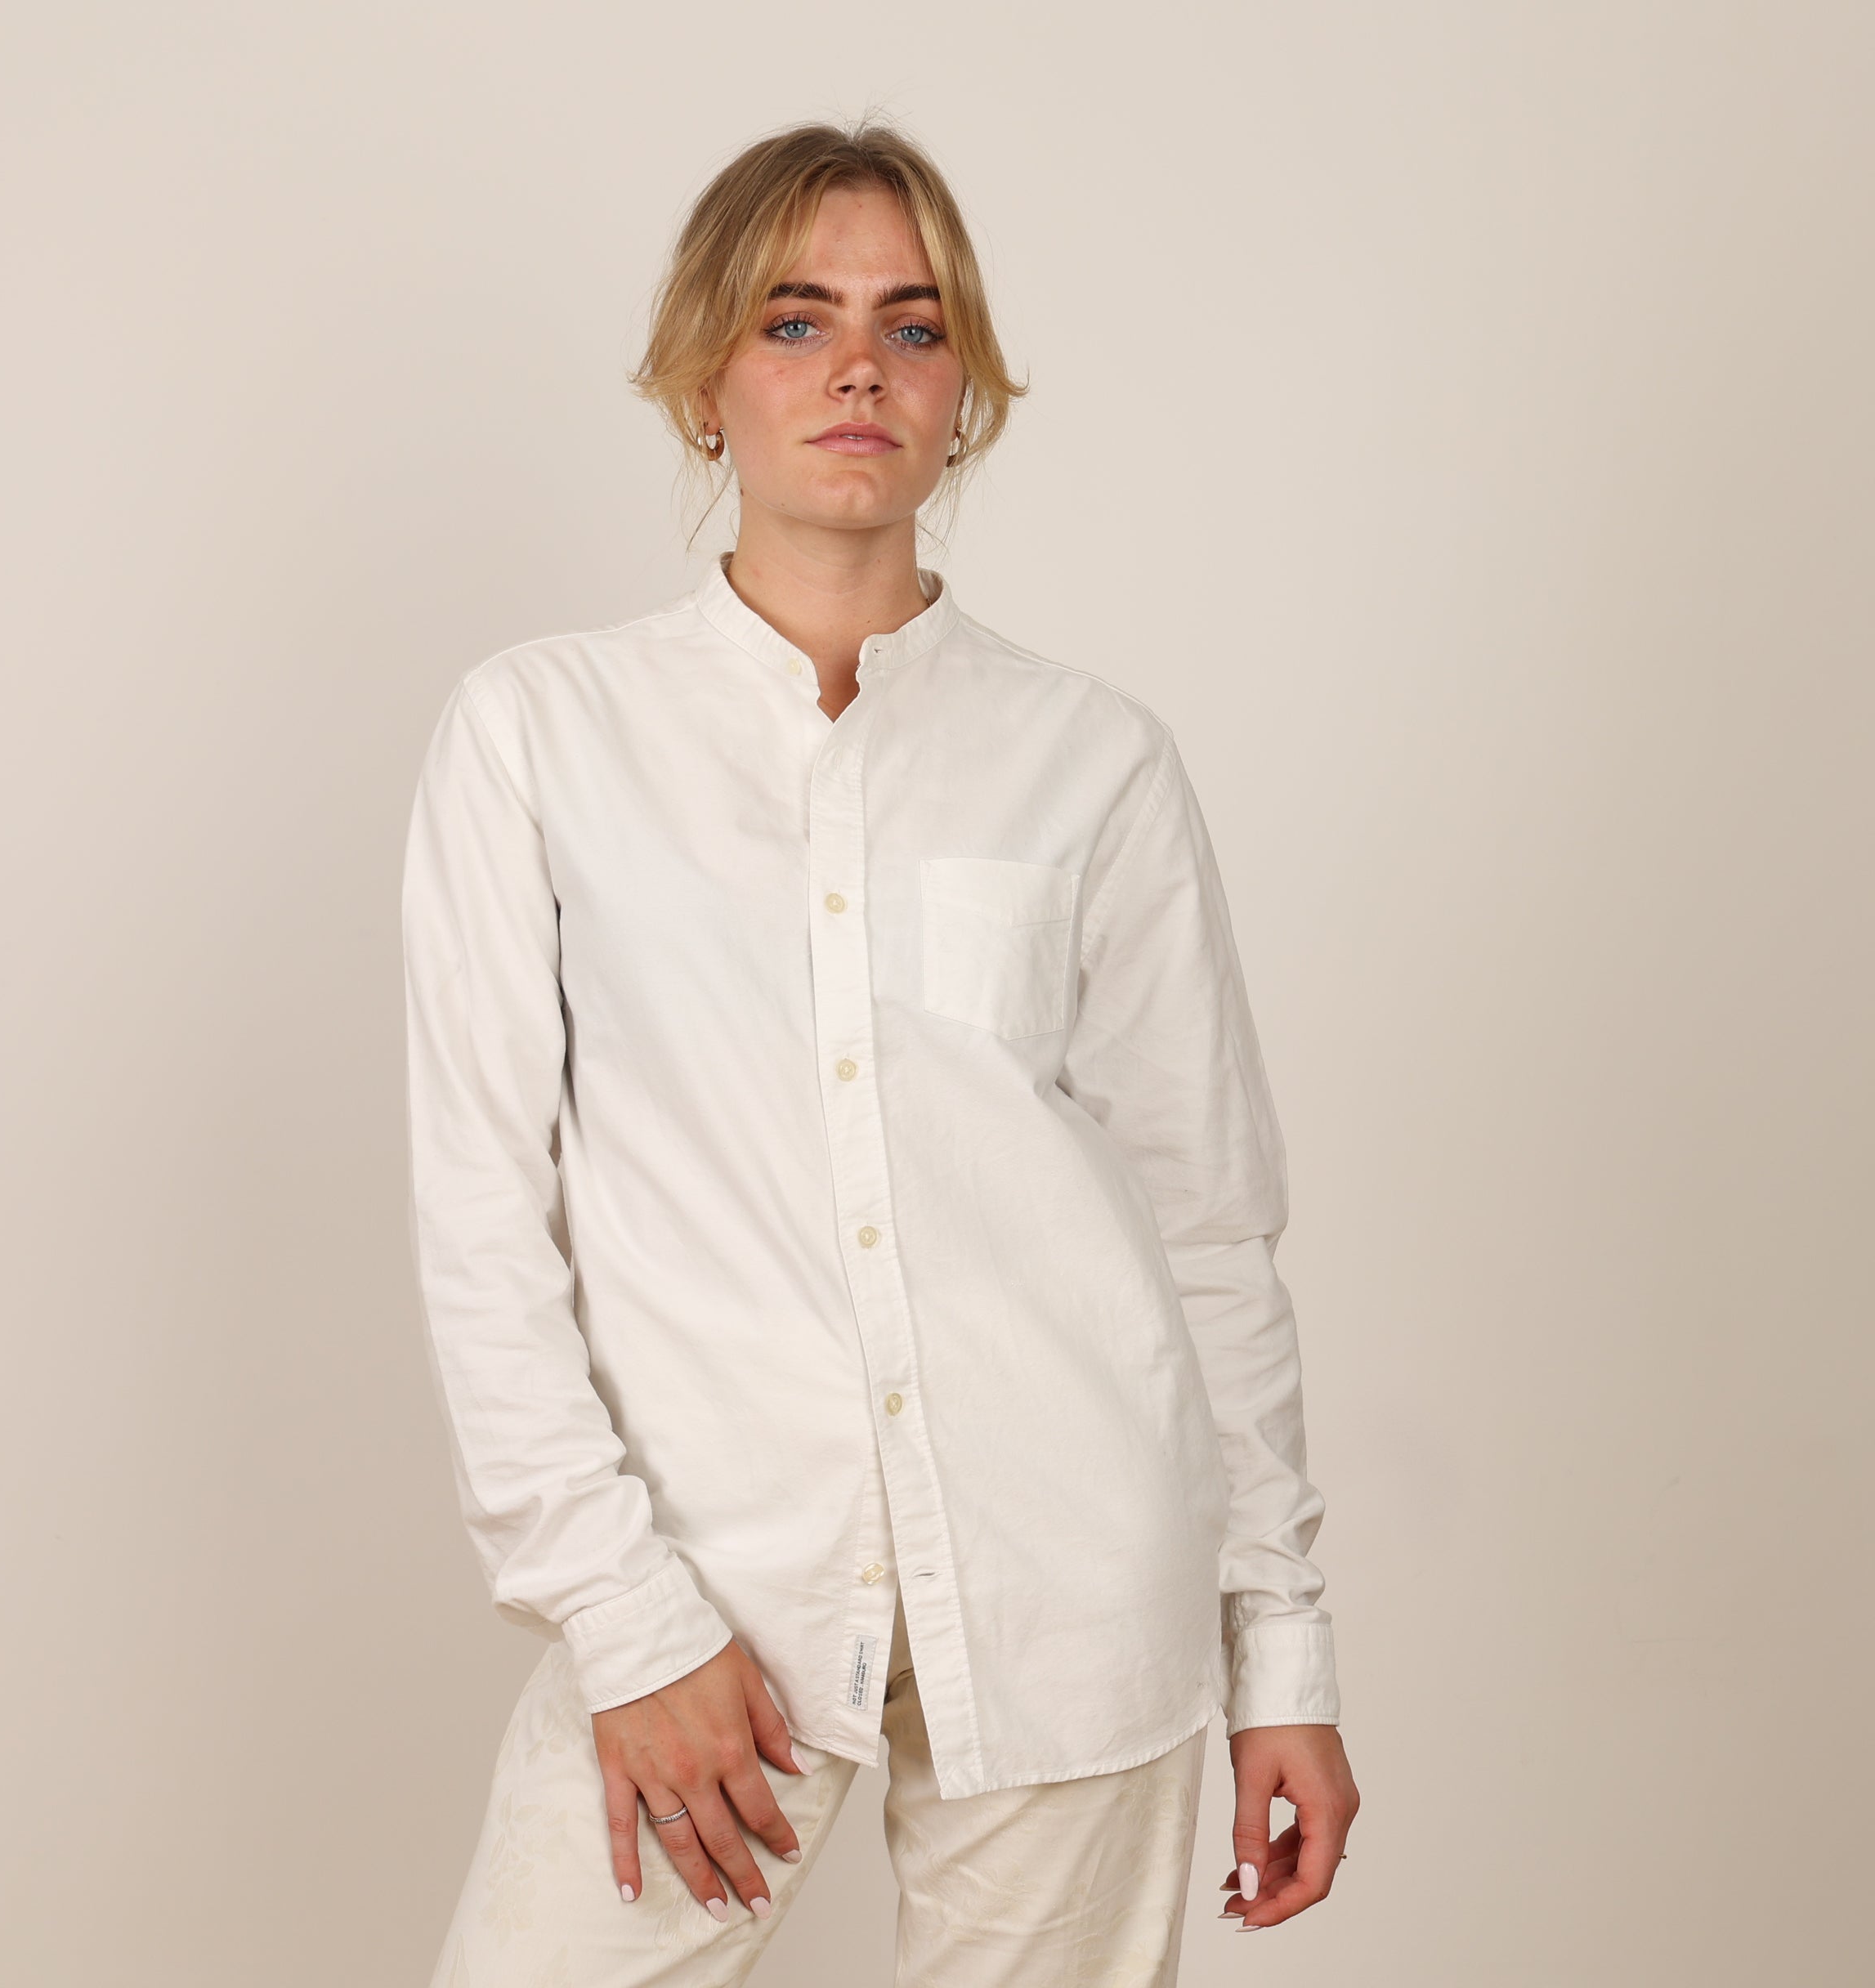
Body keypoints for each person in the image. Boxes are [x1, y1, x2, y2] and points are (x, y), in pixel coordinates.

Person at [401, 116, 1358, 1988]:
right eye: (796, 320)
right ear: (703, 380)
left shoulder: (1093, 761)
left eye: (912, 328)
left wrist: (1283, 1658)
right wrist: (625, 1620)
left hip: (1072, 1594)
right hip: (710, 1583)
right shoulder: (540, 735)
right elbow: (480, 1222)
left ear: (962, 394)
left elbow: (1209, 1234)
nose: (858, 368)